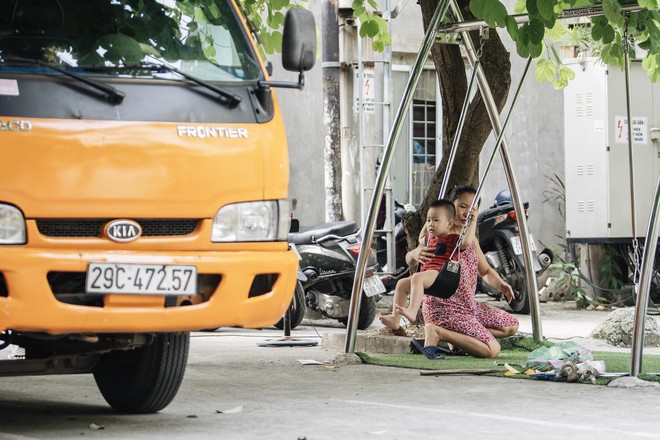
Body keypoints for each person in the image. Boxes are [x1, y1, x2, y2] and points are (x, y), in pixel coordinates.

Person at [382, 185, 519, 359]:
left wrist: (501, 284)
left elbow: (485, 271)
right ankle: (439, 332)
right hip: (446, 308)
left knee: (511, 325)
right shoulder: (439, 235)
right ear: (450, 206)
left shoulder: (470, 239)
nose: (466, 213)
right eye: (462, 206)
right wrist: (414, 253)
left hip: (468, 307)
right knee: (492, 350)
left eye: (472, 208)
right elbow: (410, 259)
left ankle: (458, 340)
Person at [379, 199, 474, 332]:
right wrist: (428, 221)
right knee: (401, 284)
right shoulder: (429, 239)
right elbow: (421, 237)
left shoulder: (453, 239)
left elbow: (467, 242)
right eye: (429, 220)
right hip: (428, 277)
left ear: (449, 223)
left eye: (436, 220)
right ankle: (395, 319)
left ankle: (412, 310)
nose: (431, 224)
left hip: (443, 275)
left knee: (417, 277)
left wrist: (473, 221)